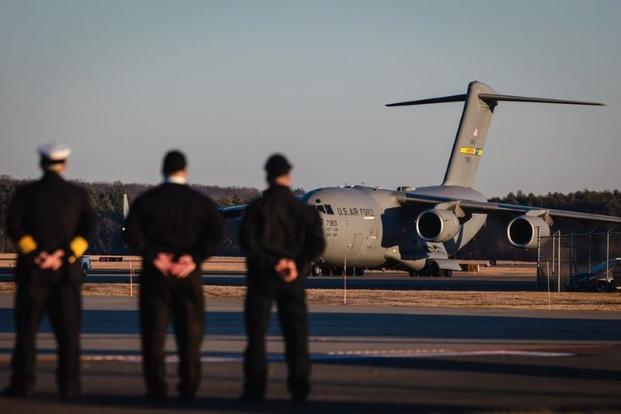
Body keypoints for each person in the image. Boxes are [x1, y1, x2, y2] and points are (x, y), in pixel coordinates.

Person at [124, 150, 224, 401]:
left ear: (163, 170)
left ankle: (156, 388)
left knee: (154, 335)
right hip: (187, 276)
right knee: (189, 335)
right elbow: (216, 235)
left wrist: (154, 255)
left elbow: (131, 232)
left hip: (156, 276)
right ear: (185, 171)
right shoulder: (200, 202)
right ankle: (188, 387)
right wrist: (193, 258)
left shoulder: (147, 201)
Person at [4, 143, 93, 400]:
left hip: (32, 274)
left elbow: (14, 227)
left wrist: (36, 254)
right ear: (64, 164)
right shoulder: (77, 195)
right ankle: (70, 385)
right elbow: (87, 231)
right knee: (68, 333)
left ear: (41, 163)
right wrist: (64, 255)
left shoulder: (25, 194)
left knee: (27, 332)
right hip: (66, 276)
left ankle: (22, 383)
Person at [238, 154, 325, 404]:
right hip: (293, 280)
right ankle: (299, 389)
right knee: (296, 336)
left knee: (256, 337)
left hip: (262, 279)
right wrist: (294, 264)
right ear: (289, 175)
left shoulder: (256, 210)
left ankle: (255, 390)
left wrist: (273, 262)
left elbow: (248, 244)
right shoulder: (306, 212)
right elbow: (317, 245)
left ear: (267, 176)